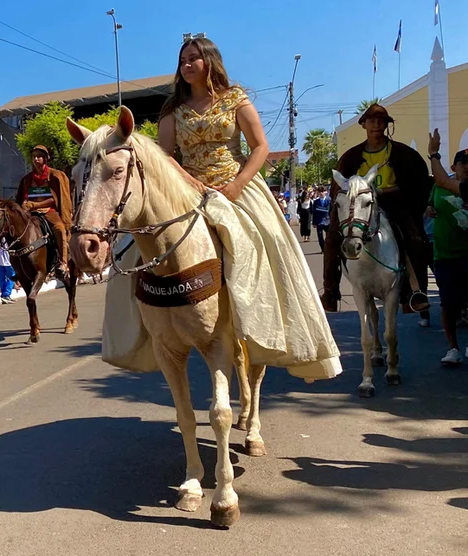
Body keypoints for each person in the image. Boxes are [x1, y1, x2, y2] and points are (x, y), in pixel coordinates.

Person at [158, 36, 340, 380]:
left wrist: (237, 184)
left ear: (209, 62)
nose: (186, 64)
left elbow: (259, 147)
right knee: (140, 248)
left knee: (270, 238)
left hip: (236, 185)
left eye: (194, 58)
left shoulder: (235, 100)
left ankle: (270, 319)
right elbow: (165, 155)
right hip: (186, 190)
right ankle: (151, 327)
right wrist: (190, 182)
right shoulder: (172, 111)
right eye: (183, 59)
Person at [321, 104, 432, 313]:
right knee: (332, 240)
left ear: (386, 125)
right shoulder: (351, 156)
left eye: (381, 121)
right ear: (363, 125)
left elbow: (416, 184)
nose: (376, 125)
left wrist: (386, 192)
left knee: (415, 238)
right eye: (371, 121)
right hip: (359, 207)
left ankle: (413, 293)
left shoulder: (403, 154)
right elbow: (338, 188)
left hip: (394, 204)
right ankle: (330, 291)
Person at [425, 132, 468, 365]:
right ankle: (453, 349)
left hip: (466, 255)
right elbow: (432, 201)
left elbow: (442, 179)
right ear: (455, 166)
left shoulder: (459, 186)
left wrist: (433, 152)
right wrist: (429, 210)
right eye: (464, 163)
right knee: (448, 304)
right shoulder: (438, 188)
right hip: (444, 255)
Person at [14, 144, 73, 278]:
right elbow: (22, 197)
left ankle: (63, 262)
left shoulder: (56, 175)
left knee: (59, 230)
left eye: (40, 156)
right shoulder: (27, 179)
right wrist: (23, 205)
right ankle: (18, 267)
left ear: (46, 159)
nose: (36, 159)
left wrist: (35, 205)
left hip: (50, 211)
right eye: (34, 157)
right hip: (30, 214)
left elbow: (57, 199)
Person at [0, 239, 16, 303]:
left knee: (1, 279)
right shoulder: (5, 237)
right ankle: (6, 294)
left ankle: (4, 295)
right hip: (7, 261)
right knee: (12, 277)